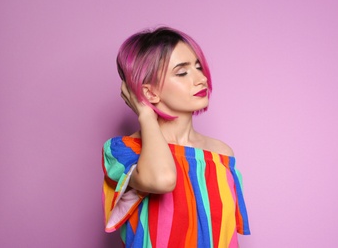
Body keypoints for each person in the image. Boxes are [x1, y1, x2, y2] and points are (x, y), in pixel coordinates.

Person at [102, 26, 250, 248]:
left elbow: (226, 237)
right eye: (182, 72)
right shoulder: (122, 150)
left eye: (199, 67)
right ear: (150, 92)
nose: (201, 79)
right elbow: (162, 179)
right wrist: (145, 114)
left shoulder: (221, 155)